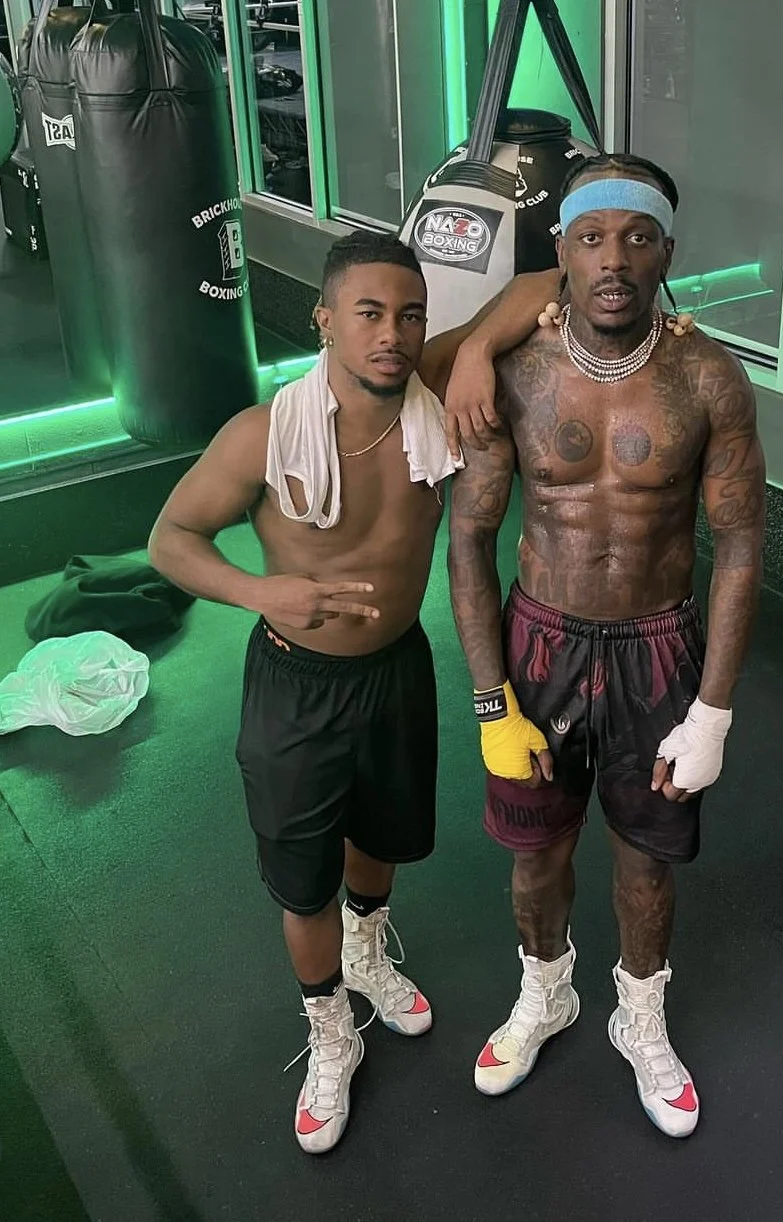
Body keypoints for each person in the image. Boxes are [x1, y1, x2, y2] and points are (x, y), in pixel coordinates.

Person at [148, 230, 560, 1154]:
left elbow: (544, 279)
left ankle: (367, 951)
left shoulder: (430, 388)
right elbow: (170, 539)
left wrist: (475, 351)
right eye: (368, 313)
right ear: (324, 319)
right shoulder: (263, 432)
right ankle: (329, 1028)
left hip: (395, 670)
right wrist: (262, 591)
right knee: (305, 882)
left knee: (381, 836)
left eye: (410, 316)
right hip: (295, 682)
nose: (391, 334)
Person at [447, 153, 766, 1138]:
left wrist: (712, 713)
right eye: (591, 239)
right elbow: (468, 539)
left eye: (636, 238)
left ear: (669, 252)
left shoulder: (708, 377)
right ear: (562, 253)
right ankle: (545, 992)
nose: (613, 260)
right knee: (535, 853)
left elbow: (740, 544)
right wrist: (491, 702)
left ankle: (640, 1012)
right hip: (539, 642)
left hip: (656, 647)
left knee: (645, 859)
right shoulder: (515, 371)